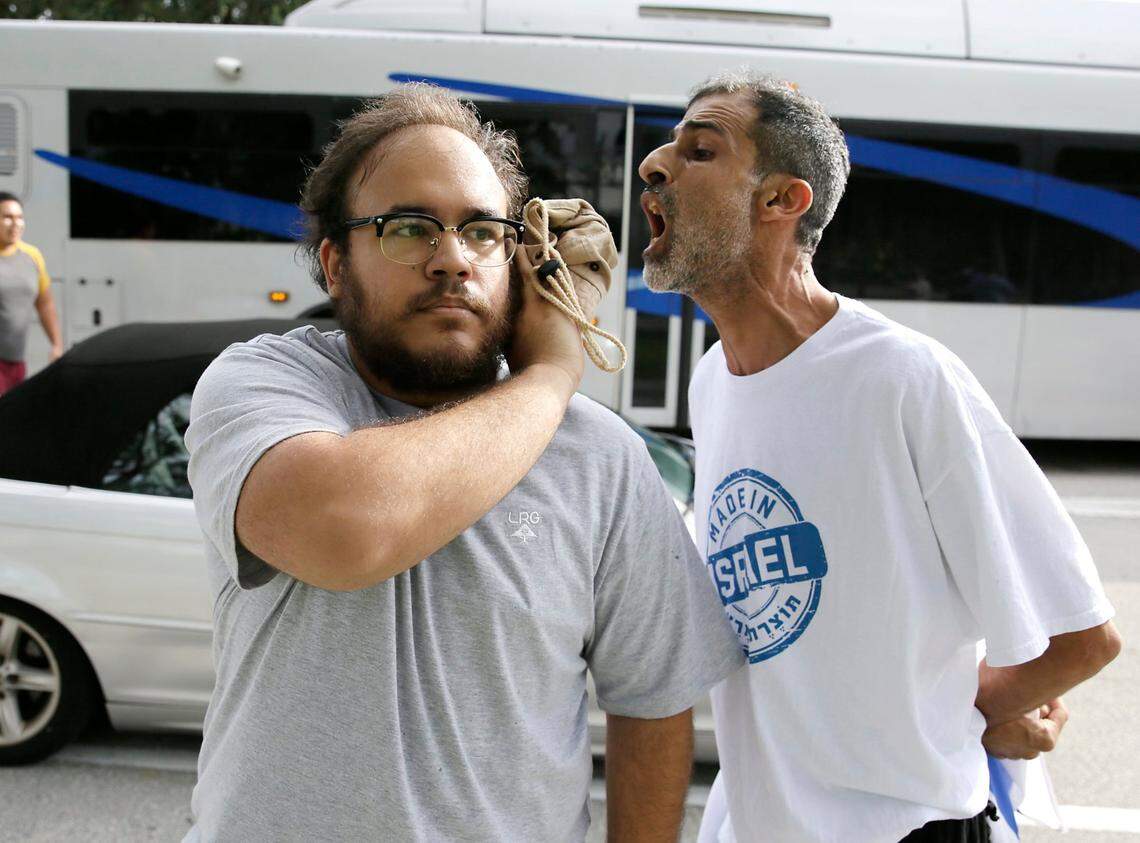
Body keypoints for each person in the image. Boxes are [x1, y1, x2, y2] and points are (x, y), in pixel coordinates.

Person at [184, 83, 743, 841]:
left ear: (520, 260)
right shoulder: (264, 385)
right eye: (407, 228)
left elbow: (652, 701)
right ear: (335, 263)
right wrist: (549, 376)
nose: (452, 259)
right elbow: (345, 530)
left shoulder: (601, 457)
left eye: (482, 230)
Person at [636, 70, 1122, 843]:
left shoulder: (902, 377)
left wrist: (974, 711)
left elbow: (1081, 635)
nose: (653, 165)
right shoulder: (711, 383)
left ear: (782, 200)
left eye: (699, 149)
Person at [0, 192, 63, 395]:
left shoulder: (32, 256)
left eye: (20, 217)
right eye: (7, 217)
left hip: (16, 364)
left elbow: (45, 304)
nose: (15, 223)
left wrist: (56, 344)